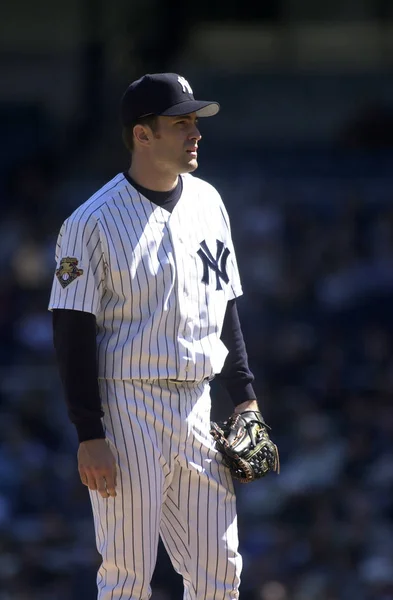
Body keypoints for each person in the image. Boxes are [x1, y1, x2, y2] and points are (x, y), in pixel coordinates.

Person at [49, 72, 261, 600]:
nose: (196, 132)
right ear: (142, 135)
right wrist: (87, 432)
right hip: (127, 407)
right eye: (181, 122)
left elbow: (224, 307)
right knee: (127, 576)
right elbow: (72, 331)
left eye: (196, 121)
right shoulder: (90, 221)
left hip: (197, 402)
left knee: (220, 575)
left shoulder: (210, 202)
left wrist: (247, 399)